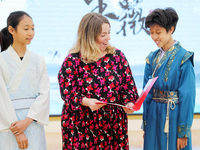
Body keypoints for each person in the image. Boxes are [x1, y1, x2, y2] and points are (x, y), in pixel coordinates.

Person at [58, 12, 139, 149]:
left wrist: (129, 103)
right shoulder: (73, 60)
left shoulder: (117, 56)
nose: (108, 38)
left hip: (113, 126)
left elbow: (128, 86)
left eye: (109, 33)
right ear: (89, 36)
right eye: (103, 35)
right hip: (81, 127)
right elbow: (67, 92)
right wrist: (86, 101)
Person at [142, 7, 195, 150]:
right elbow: (146, 94)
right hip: (153, 116)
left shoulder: (184, 58)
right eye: (151, 32)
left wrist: (183, 131)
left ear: (171, 29)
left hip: (173, 116)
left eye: (158, 32)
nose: (154, 37)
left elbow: (188, 96)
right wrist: (146, 124)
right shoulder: (151, 58)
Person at [0, 11, 50, 150]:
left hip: (33, 122)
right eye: (26, 28)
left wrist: (27, 121)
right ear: (11, 30)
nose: (31, 33)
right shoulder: (1, 60)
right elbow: (1, 97)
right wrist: (17, 129)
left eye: (33, 28)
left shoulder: (39, 60)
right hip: (10, 126)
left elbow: (44, 94)